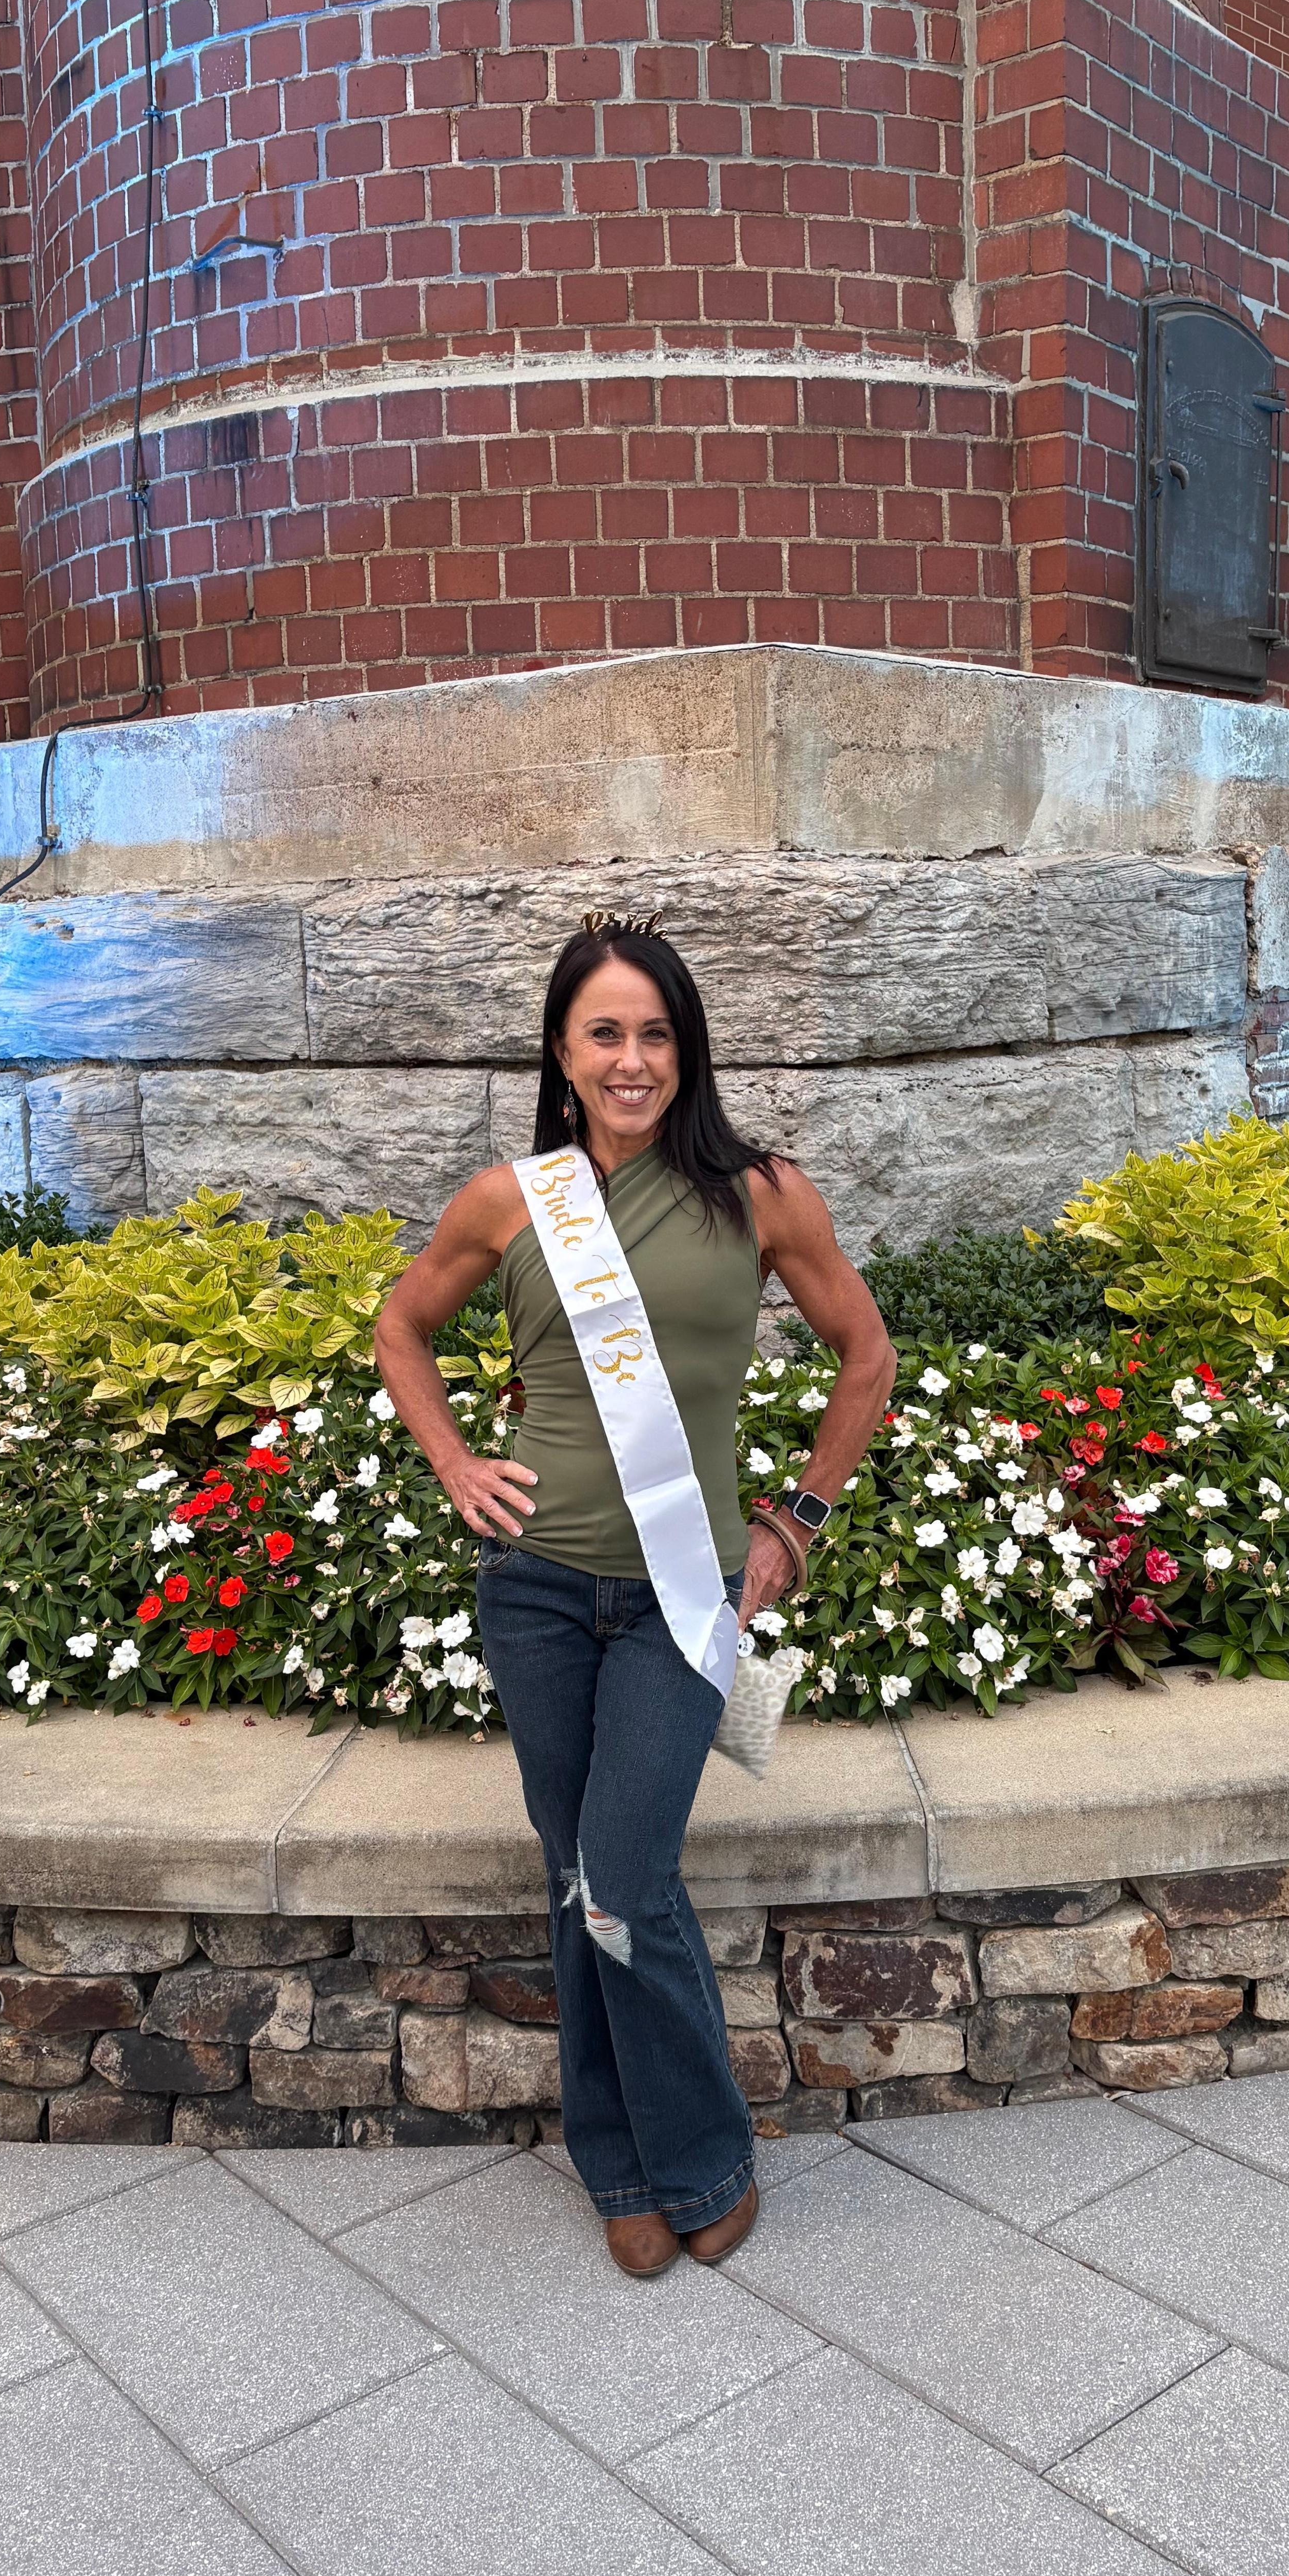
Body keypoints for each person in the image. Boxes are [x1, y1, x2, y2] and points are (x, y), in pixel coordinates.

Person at [372, 913, 895, 2277]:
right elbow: (401, 1327)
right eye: (603, 1032)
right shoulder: (511, 1200)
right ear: (560, 1050)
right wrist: (454, 1462)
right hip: (536, 1589)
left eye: (656, 1034)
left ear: (688, 1050)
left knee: (624, 1874)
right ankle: (620, 2168)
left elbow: (866, 1357)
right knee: (578, 1883)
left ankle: (705, 2156)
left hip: (681, 1593)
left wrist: (798, 1518)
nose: (632, 1060)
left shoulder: (762, 1195)